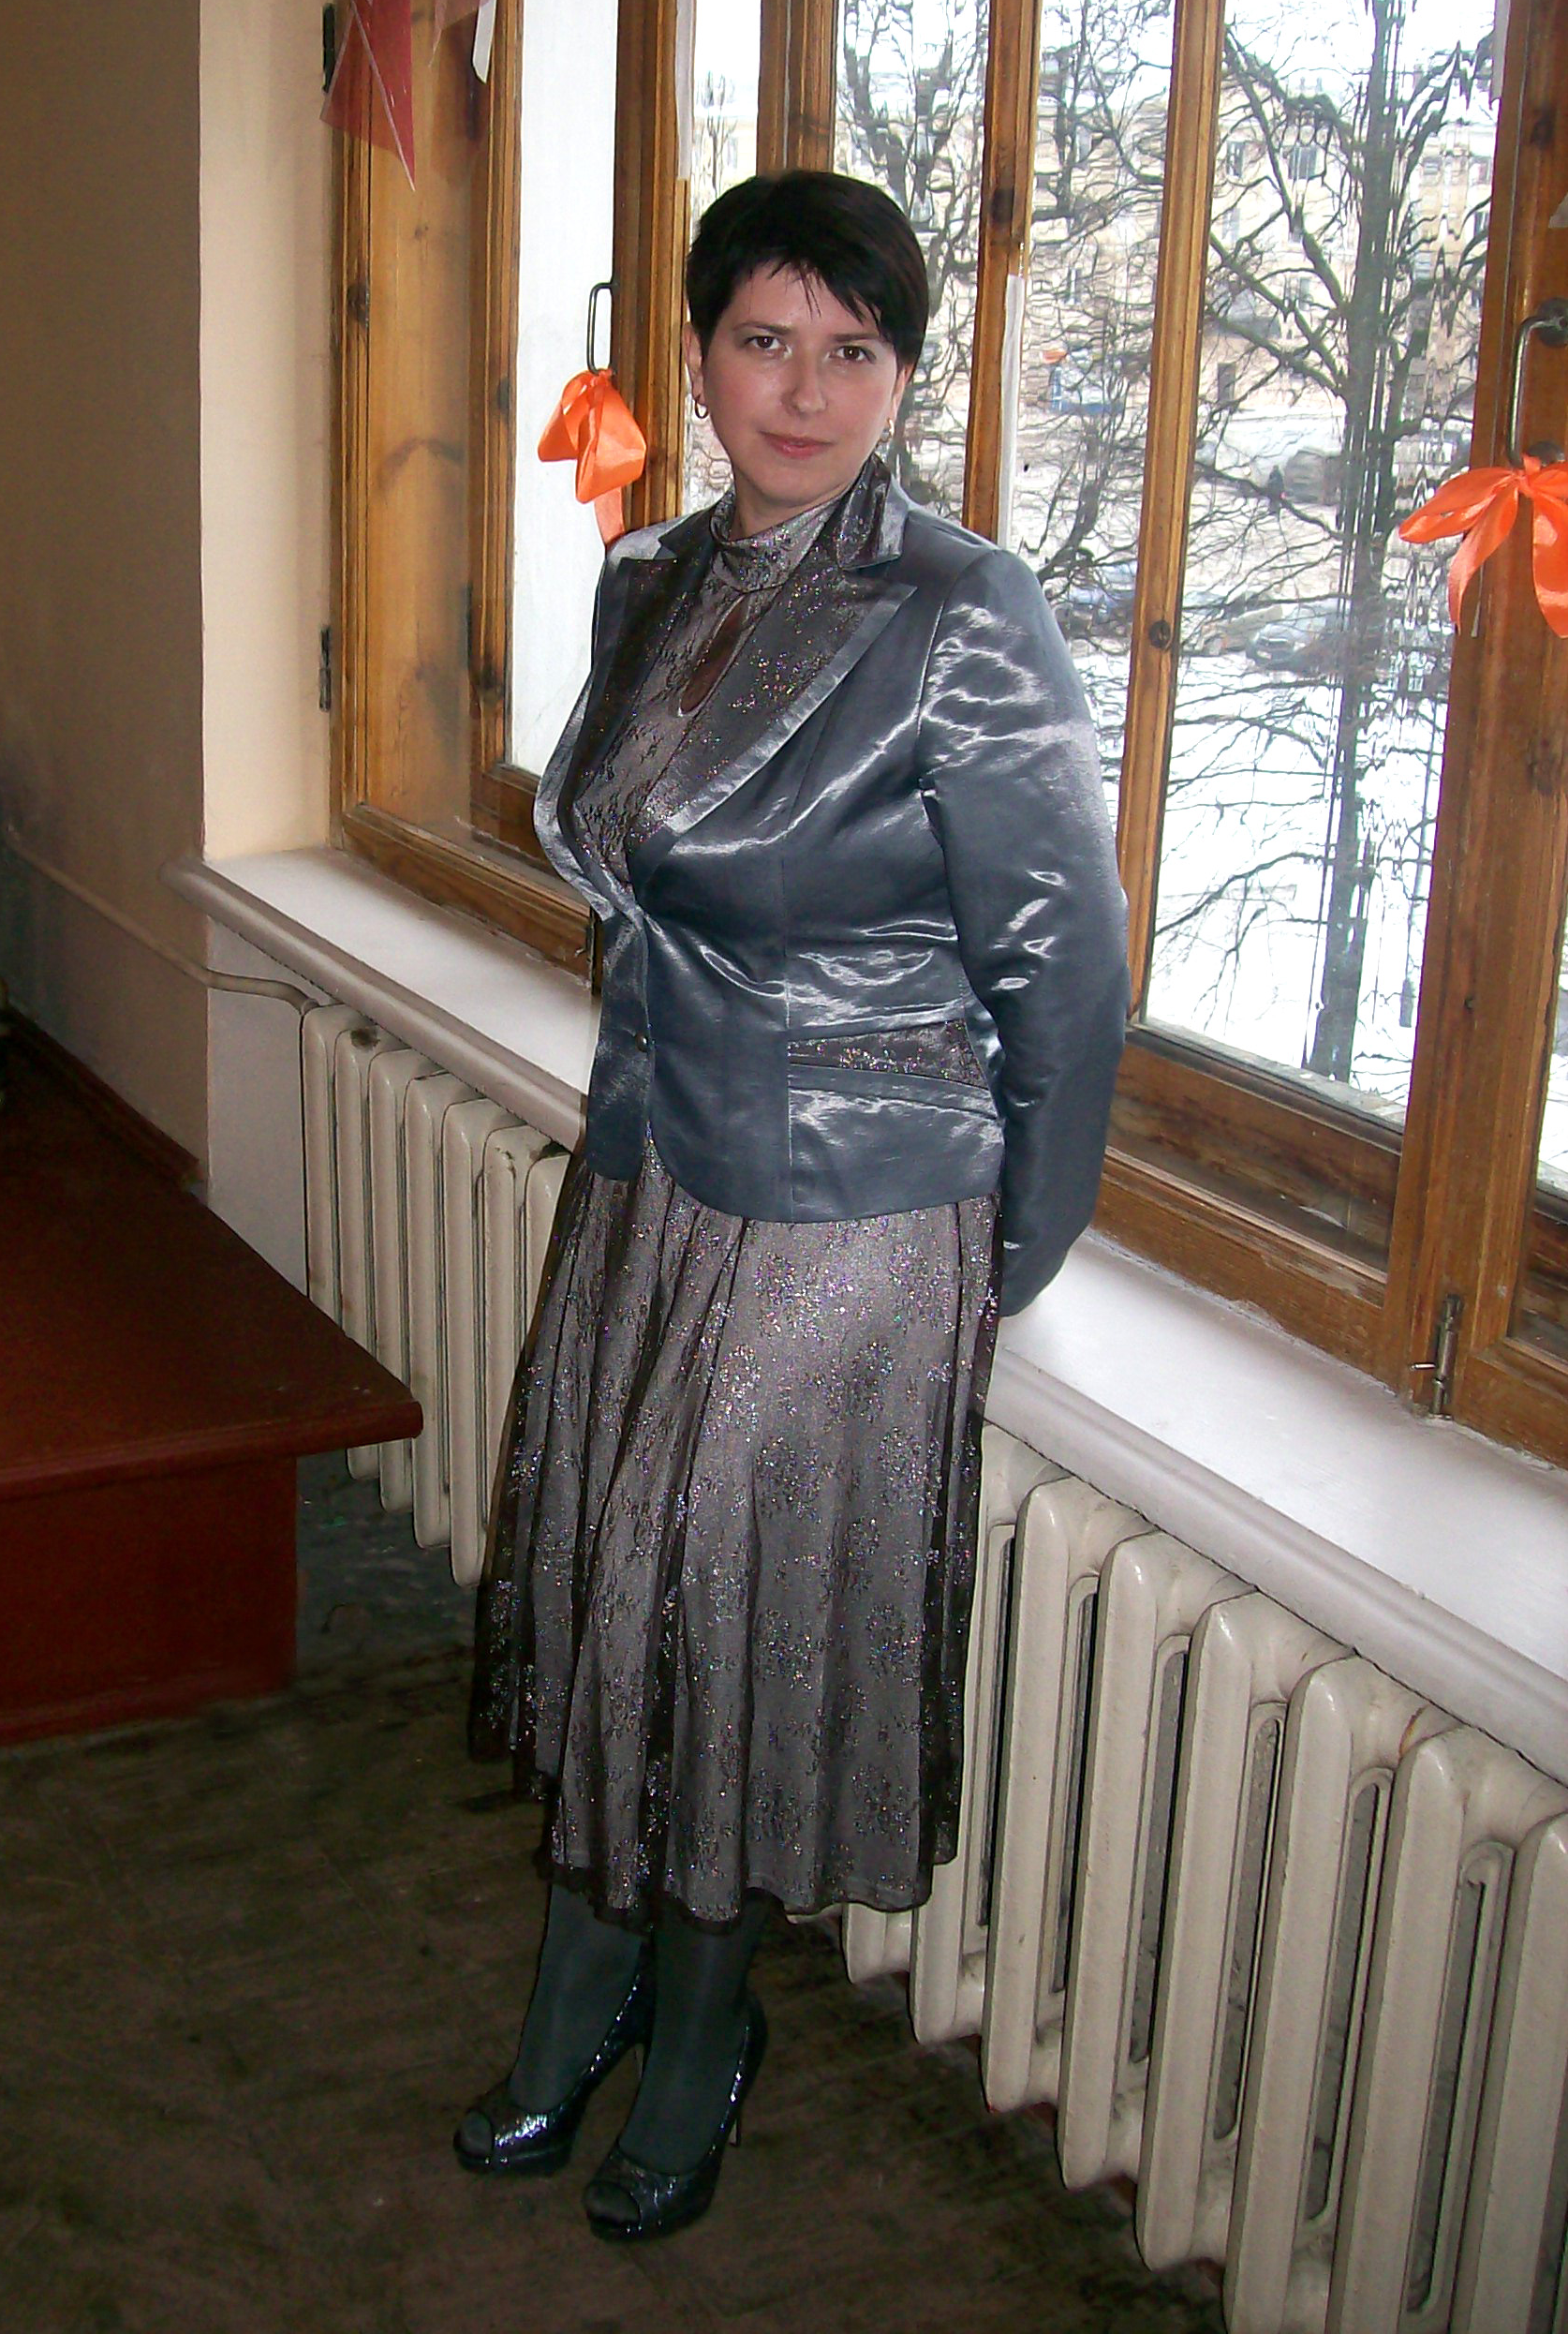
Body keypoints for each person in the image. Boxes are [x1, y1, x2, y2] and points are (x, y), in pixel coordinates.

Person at [457, 170, 1130, 2242]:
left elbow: (1067, 965)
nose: (809, 390)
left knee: (712, 1611)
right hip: (658, 1165)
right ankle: (582, 1983)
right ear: (698, 356)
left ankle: (696, 2025)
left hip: (858, 1206)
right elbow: (632, 865)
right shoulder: (651, 576)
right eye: (766, 341)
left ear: (903, 376)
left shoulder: (959, 610)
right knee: (608, 1576)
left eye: (856, 350)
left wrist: (996, 1256)